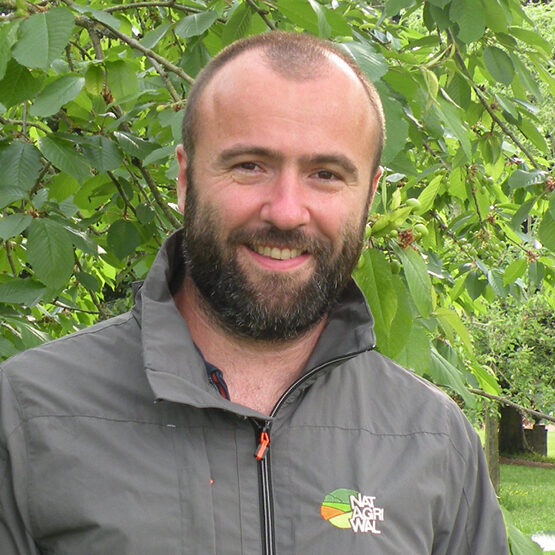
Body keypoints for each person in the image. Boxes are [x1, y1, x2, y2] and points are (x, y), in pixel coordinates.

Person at [0, 31, 508, 554]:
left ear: (369, 195)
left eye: (326, 174)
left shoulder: (433, 440)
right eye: (249, 166)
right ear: (184, 180)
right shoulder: (27, 415)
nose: (286, 211)